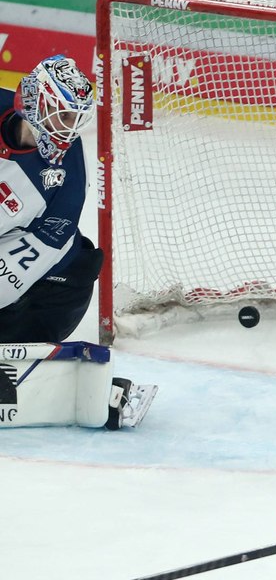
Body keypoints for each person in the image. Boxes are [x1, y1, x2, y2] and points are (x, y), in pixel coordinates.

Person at [0, 55, 153, 430]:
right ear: (37, 102)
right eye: (65, 116)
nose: (69, 131)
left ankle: (93, 393)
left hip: (49, 293)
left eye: (75, 119)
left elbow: (14, 273)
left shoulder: (66, 179)